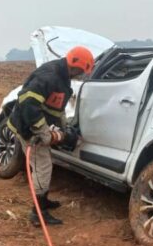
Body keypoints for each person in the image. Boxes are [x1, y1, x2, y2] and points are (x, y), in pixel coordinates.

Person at [6, 46, 94, 226]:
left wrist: (63, 128)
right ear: (76, 65)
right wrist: (42, 132)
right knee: (42, 167)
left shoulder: (62, 76)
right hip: (27, 128)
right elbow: (28, 103)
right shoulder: (50, 76)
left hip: (33, 125)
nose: (80, 76)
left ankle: (43, 200)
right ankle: (38, 213)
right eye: (82, 72)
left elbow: (55, 107)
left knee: (44, 165)